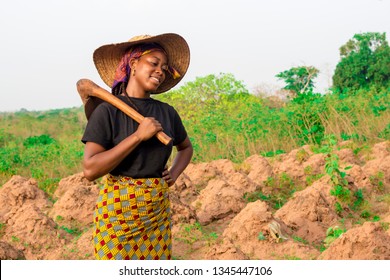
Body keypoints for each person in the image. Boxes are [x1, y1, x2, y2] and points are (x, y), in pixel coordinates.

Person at [80, 33, 193, 260]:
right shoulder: (107, 111)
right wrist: (138, 136)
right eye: (153, 63)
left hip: (156, 215)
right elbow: (90, 170)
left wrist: (173, 174)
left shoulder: (167, 112)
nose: (160, 71)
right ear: (133, 64)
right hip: (118, 214)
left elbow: (186, 148)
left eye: (165, 67)